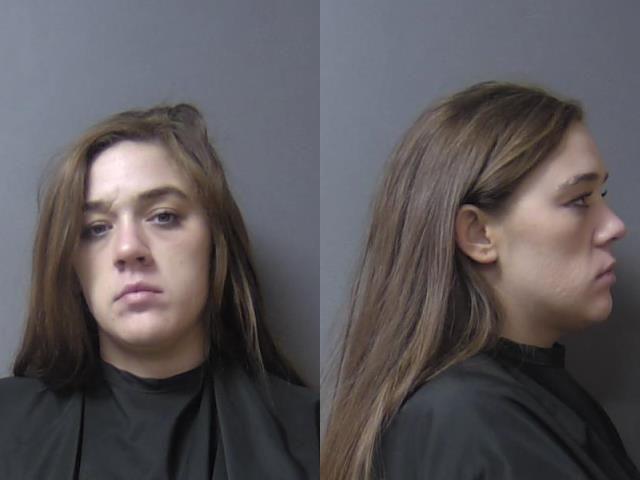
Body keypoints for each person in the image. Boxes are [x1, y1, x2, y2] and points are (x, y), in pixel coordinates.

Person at [321, 82, 640, 479]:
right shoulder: (469, 421)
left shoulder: (514, 405)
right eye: (578, 199)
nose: (614, 226)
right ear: (479, 234)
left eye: (601, 195)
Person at [0, 104, 318, 479]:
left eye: (163, 216)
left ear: (216, 243)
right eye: (96, 228)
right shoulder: (7, 426)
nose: (128, 248)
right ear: (71, 264)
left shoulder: (312, 434)